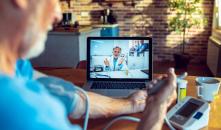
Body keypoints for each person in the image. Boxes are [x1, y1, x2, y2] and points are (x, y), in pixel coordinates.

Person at [0, 0, 177, 130]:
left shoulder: (16, 67)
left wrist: (131, 104)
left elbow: (70, 97)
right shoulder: (25, 112)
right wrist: (157, 108)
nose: (58, 15)